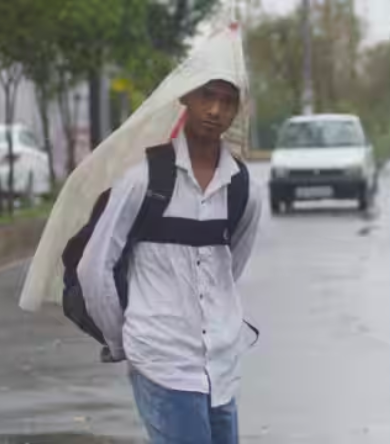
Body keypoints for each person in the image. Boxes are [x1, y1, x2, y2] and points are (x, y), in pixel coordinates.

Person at [77, 78, 261, 444]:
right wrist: (123, 338)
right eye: (207, 96)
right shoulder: (143, 179)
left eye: (227, 101)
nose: (215, 110)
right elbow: (94, 269)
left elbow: (229, 268)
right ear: (185, 97)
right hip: (163, 362)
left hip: (221, 368)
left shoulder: (243, 188)